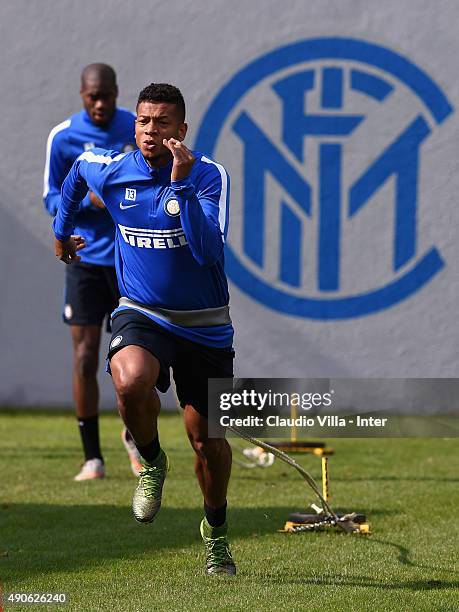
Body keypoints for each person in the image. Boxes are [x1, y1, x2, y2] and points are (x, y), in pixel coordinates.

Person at [52, 83, 236, 576]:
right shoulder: (113, 170)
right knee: (128, 379)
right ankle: (152, 462)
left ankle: (215, 533)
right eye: (143, 121)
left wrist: (180, 183)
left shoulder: (210, 175)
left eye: (161, 122)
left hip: (204, 326)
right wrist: (61, 231)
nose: (150, 131)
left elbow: (207, 253)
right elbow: (73, 175)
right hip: (143, 312)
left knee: (208, 443)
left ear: (182, 129)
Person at [43, 63, 142, 481]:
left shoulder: (136, 128)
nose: (100, 103)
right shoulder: (64, 136)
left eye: (106, 95)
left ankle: (136, 438)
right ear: (82, 94)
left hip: (130, 259)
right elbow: (51, 198)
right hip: (84, 261)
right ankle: (92, 459)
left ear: (117, 91)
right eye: (92, 96)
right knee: (85, 356)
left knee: (137, 357)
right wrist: (89, 204)